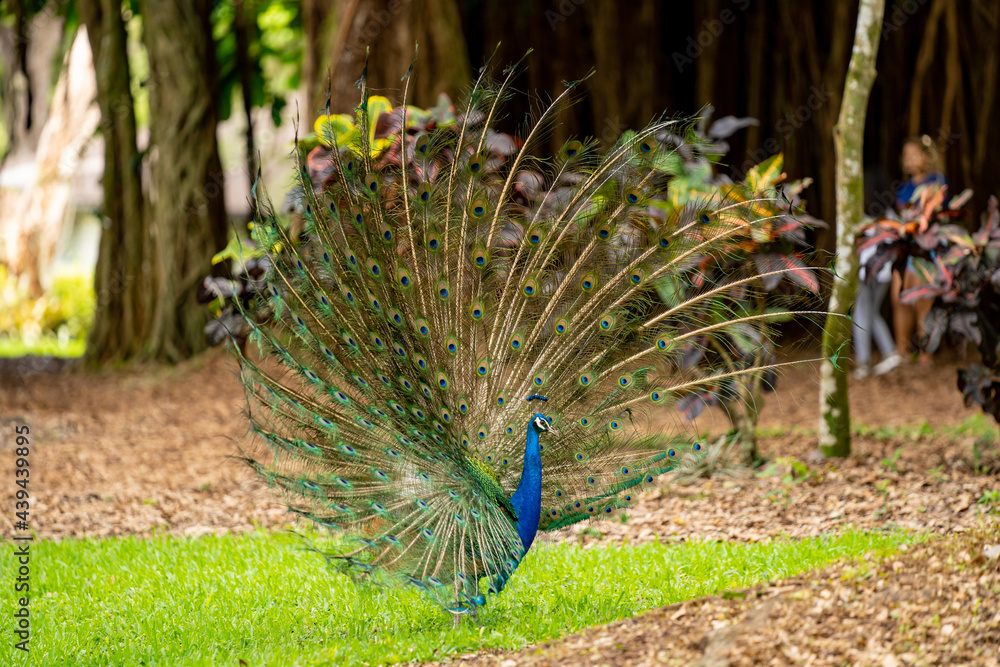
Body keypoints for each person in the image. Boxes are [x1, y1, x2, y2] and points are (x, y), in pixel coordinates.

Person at [880, 135, 946, 372]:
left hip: (925, 249)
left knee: (922, 302)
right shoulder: (905, 186)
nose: (908, 160)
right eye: (905, 155)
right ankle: (902, 354)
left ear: (927, 157)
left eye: (913, 154)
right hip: (904, 249)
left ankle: (926, 356)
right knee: (899, 299)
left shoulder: (936, 181)